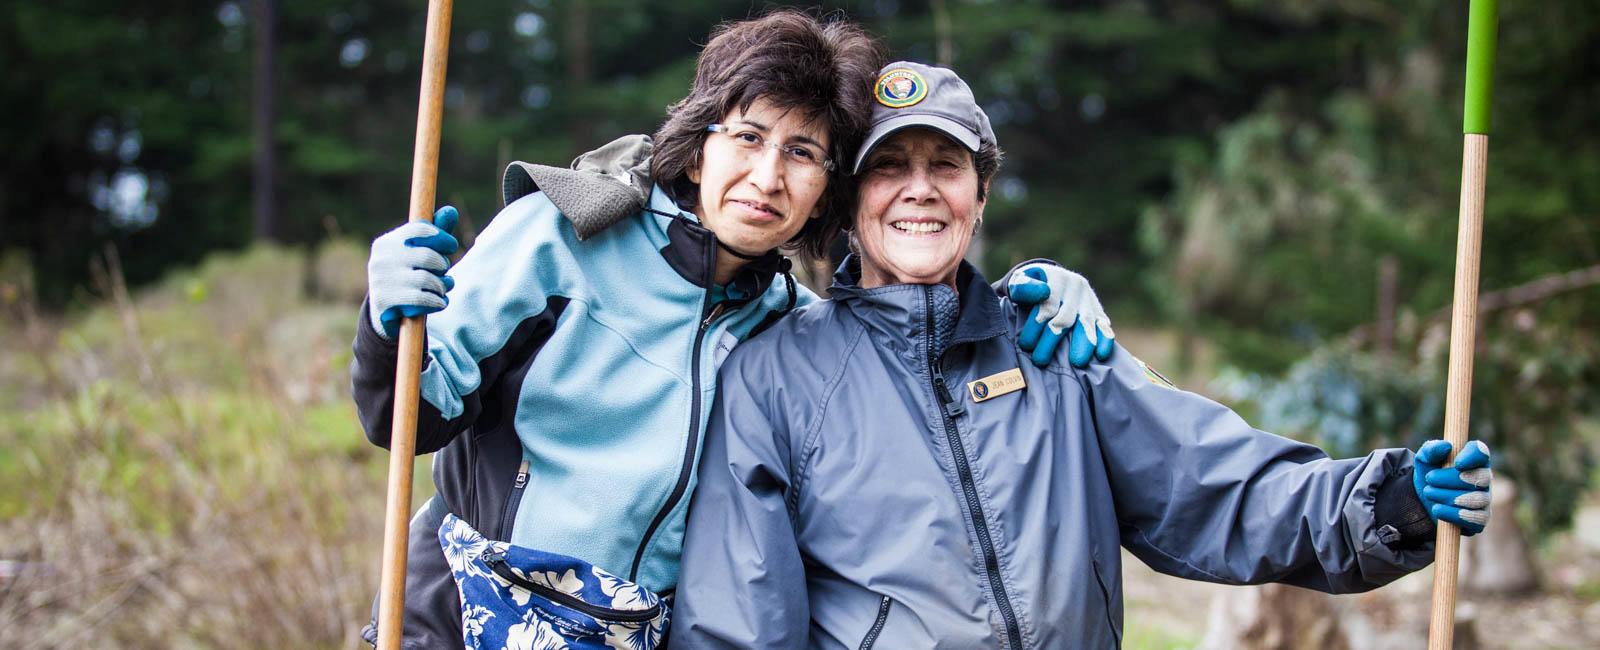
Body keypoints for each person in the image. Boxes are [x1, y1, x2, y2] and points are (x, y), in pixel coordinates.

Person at [668, 61, 1494, 649]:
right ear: (849, 203)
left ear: (979, 196)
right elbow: (741, 621)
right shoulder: (774, 378)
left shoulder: (1058, 349)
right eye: (889, 168)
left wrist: (1387, 500)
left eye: (945, 166)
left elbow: (1221, 487)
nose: (919, 188)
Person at [351, 16, 1111, 649]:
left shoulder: (799, 335)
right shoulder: (560, 233)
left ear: (826, 197)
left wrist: (1026, 301)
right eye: (748, 137)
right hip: (461, 613)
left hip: (633, 634)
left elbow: (923, 351)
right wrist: (389, 320)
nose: (768, 176)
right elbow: (408, 415)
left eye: (803, 154)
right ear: (700, 142)